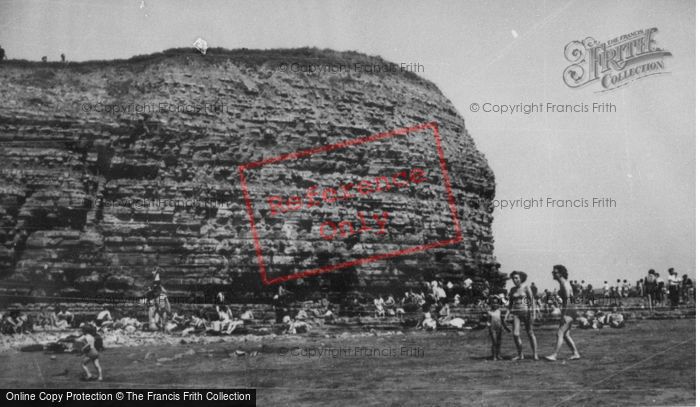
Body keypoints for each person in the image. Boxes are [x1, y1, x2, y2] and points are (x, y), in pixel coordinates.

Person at [545, 265, 581, 361]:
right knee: (566, 334)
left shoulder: (564, 284)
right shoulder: (563, 284)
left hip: (569, 310)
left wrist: (563, 315)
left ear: (560, 274)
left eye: (555, 272)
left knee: (560, 333)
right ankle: (575, 353)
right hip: (571, 309)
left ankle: (554, 355)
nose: (552, 273)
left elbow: (568, 301)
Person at [506, 271, 538, 360]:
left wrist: (534, 313)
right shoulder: (512, 290)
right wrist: (507, 315)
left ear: (521, 279)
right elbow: (510, 304)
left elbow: (532, 301)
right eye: (513, 278)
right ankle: (520, 354)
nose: (514, 280)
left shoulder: (526, 287)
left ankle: (535, 354)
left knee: (530, 333)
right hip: (516, 313)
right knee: (515, 334)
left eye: (516, 278)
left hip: (526, 312)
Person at [485, 295, 510, 360]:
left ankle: (498, 354)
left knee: (499, 342)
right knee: (494, 342)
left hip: (499, 328)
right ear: (491, 303)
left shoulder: (500, 311)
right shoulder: (489, 312)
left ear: (498, 303)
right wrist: (488, 325)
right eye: (493, 303)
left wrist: (506, 328)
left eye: (496, 303)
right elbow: (488, 321)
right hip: (492, 329)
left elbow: (502, 321)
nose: (495, 304)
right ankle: (494, 356)